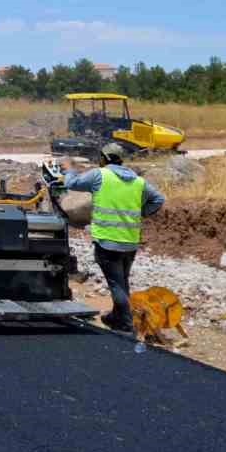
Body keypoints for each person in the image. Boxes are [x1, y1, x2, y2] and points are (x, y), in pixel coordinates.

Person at [62, 141, 165, 333]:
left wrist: (69, 170)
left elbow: (71, 184)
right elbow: (159, 199)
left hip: (107, 242)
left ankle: (127, 325)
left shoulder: (100, 175)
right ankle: (115, 318)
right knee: (122, 281)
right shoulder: (138, 181)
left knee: (116, 284)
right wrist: (141, 212)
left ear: (105, 158)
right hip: (130, 242)